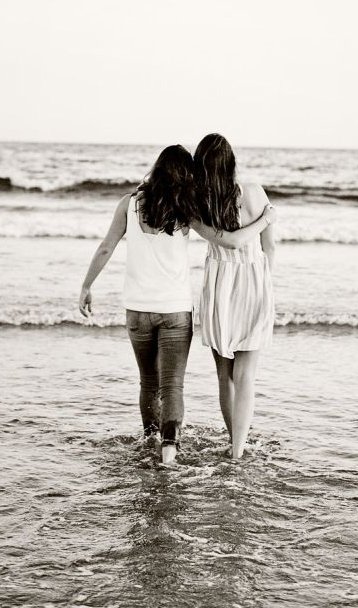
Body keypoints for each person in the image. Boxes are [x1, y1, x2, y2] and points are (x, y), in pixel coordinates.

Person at [78, 144, 276, 465]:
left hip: (137, 311)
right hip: (175, 311)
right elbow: (230, 239)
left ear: (156, 168)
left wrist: (87, 286)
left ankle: (150, 440)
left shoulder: (129, 204)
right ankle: (169, 450)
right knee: (173, 385)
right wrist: (265, 221)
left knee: (148, 381)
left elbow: (105, 248)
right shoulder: (186, 208)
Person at [193, 133, 276, 460]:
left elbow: (225, 241)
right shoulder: (254, 192)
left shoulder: (197, 202)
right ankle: (238, 451)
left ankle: (234, 443)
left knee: (225, 375)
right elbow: (268, 246)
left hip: (219, 283)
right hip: (253, 279)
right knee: (246, 375)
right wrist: (266, 283)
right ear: (231, 162)